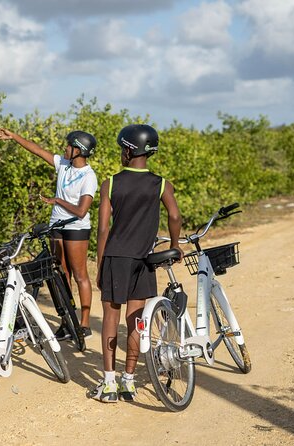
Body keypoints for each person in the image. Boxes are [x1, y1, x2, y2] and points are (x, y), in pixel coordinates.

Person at [89, 124, 182, 403]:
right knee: (136, 321)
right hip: (144, 260)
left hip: (116, 258)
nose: (121, 153)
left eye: (121, 148)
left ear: (129, 150)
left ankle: (108, 384)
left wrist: (100, 263)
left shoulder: (111, 183)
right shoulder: (161, 183)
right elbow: (175, 217)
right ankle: (128, 382)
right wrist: (175, 245)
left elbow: (103, 229)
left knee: (110, 319)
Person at [0, 128, 98, 339]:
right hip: (56, 226)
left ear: (79, 150)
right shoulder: (64, 165)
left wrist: (57, 200)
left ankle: (84, 324)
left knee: (79, 275)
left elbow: (81, 211)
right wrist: (14, 136)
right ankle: (68, 321)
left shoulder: (89, 176)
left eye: (69, 146)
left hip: (76, 228)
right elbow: (37, 150)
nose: (65, 148)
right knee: (61, 274)